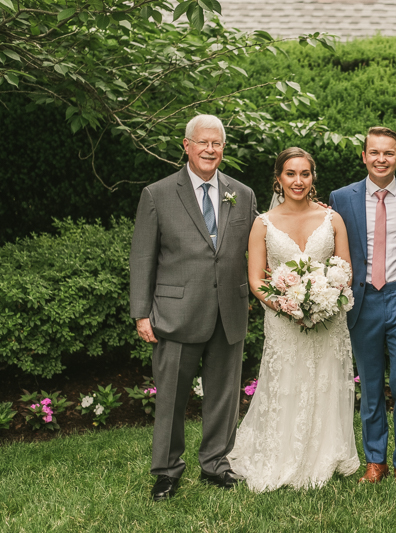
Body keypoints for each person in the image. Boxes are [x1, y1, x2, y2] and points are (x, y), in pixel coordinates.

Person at [129, 114, 259, 501]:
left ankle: (216, 464)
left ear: (223, 148)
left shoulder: (243, 193)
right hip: (175, 312)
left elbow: (262, 240)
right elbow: (142, 257)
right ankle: (167, 471)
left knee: (224, 394)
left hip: (228, 309)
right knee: (171, 397)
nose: (209, 150)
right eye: (202, 143)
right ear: (186, 146)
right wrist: (141, 312)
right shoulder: (158, 194)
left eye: (216, 144)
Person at [227, 147, 359, 491]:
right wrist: (289, 306)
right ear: (279, 179)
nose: (298, 181)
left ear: (313, 178)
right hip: (283, 321)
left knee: (326, 380)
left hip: (327, 319)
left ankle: (325, 453)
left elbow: (345, 270)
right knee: (286, 383)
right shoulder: (263, 224)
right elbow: (256, 279)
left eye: (305, 173)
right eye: (291, 173)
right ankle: (280, 453)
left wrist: (324, 301)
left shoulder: (332, 219)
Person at [329, 127, 396, 487]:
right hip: (363, 299)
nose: (381, 159)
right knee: (370, 386)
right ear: (364, 156)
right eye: (374, 152)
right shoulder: (341, 198)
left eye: (389, 153)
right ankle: (375, 460)